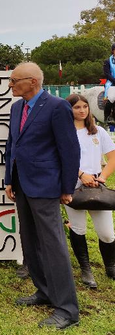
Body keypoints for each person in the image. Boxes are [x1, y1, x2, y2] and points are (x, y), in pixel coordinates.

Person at [4, 62, 80, 329]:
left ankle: (67, 310)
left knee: (53, 246)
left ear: (33, 82)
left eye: (14, 81)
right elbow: (11, 145)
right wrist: (9, 179)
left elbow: (69, 150)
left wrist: (67, 188)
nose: (10, 85)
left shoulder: (57, 107)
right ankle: (45, 291)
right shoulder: (16, 108)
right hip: (22, 184)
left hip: (47, 185)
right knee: (30, 239)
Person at [64, 94, 115, 288]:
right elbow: (59, 160)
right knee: (78, 228)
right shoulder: (64, 132)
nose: (82, 110)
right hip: (72, 185)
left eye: (85, 106)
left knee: (107, 233)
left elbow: (113, 157)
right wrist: (80, 174)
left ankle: (111, 266)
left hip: (96, 185)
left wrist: (101, 177)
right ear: (69, 110)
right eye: (77, 107)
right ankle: (86, 269)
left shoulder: (98, 131)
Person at [103, 44, 115, 124]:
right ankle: (107, 117)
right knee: (111, 98)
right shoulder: (107, 61)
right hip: (111, 83)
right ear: (113, 51)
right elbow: (106, 73)